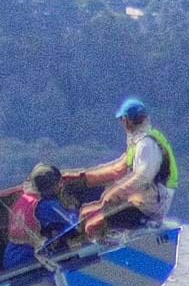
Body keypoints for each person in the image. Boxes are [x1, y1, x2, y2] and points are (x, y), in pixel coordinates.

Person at [68, 97, 177, 238]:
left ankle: (111, 249)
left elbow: (143, 177)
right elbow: (117, 170)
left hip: (151, 204)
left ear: (128, 121)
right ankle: (100, 245)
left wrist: (116, 193)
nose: (122, 123)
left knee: (92, 226)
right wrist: (82, 177)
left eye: (122, 120)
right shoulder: (139, 141)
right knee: (86, 214)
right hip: (144, 199)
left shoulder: (146, 144)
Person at [0, 163, 72, 273]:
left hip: (11, 257)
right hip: (28, 261)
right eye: (58, 183)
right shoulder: (46, 206)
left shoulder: (24, 200)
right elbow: (75, 224)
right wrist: (73, 208)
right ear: (52, 186)